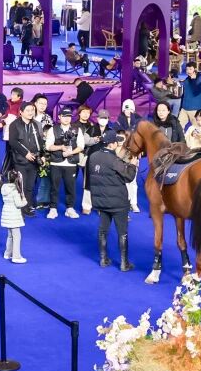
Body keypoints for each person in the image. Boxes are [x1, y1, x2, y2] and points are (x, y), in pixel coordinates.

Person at [88, 130, 138, 270]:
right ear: (112, 144)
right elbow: (129, 177)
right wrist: (133, 165)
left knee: (103, 230)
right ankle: (124, 263)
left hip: (101, 201)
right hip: (118, 202)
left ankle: (103, 259)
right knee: (122, 232)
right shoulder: (114, 160)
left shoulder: (93, 156)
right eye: (117, 142)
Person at [45, 106, 85, 219]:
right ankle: (53, 208)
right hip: (56, 163)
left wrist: (70, 153)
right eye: (64, 116)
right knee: (54, 187)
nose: (67, 119)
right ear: (59, 117)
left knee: (71, 187)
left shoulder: (77, 129)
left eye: (69, 116)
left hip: (71, 163)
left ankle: (70, 208)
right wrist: (61, 147)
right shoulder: (53, 129)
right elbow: (48, 146)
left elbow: (81, 146)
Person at [6, 102, 42, 217]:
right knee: (21, 185)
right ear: (21, 112)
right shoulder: (14, 125)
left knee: (30, 186)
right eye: (28, 110)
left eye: (32, 110)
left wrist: (42, 155)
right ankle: (20, 208)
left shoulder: (36, 124)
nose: (31, 112)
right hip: (20, 160)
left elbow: (40, 141)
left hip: (34, 160)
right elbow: (13, 142)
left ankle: (27, 206)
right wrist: (25, 153)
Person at [0, 168, 28, 264]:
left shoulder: (4, 188)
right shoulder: (15, 191)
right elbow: (19, 204)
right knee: (17, 236)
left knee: (10, 236)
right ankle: (16, 256)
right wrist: (24, 200)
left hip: (6, 214)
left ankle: (8, 253)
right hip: (14, 216)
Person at [178, 62, 201, 128]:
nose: (188, 71)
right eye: (187, 69)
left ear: (195, 69)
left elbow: (195, 92)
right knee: (179, 127)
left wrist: (193, 80)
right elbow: (184, 94)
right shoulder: (187, 79)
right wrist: (181, 107)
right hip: (184, 108)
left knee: (197, 128)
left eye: (190, 69)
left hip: (195, 109)